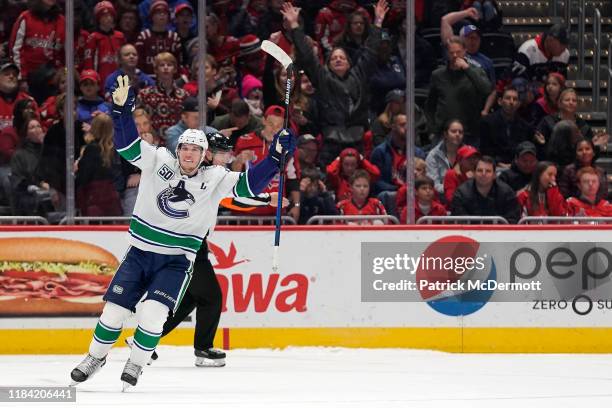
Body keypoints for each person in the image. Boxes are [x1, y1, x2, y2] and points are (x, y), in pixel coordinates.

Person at [70, 75, 296, 388]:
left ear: (204, 154)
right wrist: (121, 110)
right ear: (178, 150)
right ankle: (95, 356)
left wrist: (273, 159)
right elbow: (125, 145)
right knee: (113, 312)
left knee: (152, 315)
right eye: (184, 148)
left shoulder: (215, 178)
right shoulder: (158, 159)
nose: (188, 153)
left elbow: (249, 187)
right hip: (140, 253)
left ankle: (136, 363)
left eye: (195, 149)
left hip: (176, 259)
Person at [126, 129, 287, 368]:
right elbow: (236, 198)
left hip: (192, 244)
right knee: (211, 297)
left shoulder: (212, 175)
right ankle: (203, 349)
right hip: (188, 246)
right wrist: (266, 199)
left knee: (191, 298)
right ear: (208, 154)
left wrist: (265, 197)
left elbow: (235, 194)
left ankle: (144, 339)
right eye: (221, 153)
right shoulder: (208, 176)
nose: (226, 158)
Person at [282, 1, 389, 166]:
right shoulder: (323, 78)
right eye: (334, 58)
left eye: (342, 57)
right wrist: (295, 25)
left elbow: (371, 51)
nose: (338, 59)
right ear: (329, 64)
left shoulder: (359, 74)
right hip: (331, 143)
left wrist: (378, 23)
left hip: (357, 141)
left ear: (348, 62)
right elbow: (307, 56)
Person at [425, 36, 491, 146]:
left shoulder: (476, 72)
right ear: (447, 53)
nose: (455, 56)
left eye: (458, 52)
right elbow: (430, 105)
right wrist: (432, 130)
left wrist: (467, 69)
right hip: (442, 133)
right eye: (451, 52)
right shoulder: (437, 75)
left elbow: (486, 90)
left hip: (469, 133)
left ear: (465, 51)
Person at [451, 156, 521, 223]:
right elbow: (459, 221)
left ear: (494, 175)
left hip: (499, 234)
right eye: (479, 170)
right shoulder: (462, 193)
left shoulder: (506, 193)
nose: (483, 174)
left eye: (488, 171)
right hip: (469, 234)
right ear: (474, 173)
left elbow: (513, 220)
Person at [480, 86, 533, 167]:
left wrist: (514, 164)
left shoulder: (525, 126)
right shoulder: (488, 122)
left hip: (517, 166)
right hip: (493, 165)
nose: (511, 102)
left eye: (515, 99)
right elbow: (485, 150)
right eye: (508, 98)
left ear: (518, 104)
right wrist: (499, 164)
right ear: (500, 101)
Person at [83, 1, 126, 85]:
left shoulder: (120, 36)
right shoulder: (93, 38)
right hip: (101, 81)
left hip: (119, 81)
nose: (109, 18)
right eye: (105, 16)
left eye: (111, 15)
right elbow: (89, 63)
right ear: (99, 18)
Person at [426, 119, 465, 196]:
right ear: (445, 134)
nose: (457, 134)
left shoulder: (470, 154)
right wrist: (451, 189)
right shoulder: (433, 155)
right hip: (442, 198)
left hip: (465, 197)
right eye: (453, 131)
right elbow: (433, 184)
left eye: (460, 132)